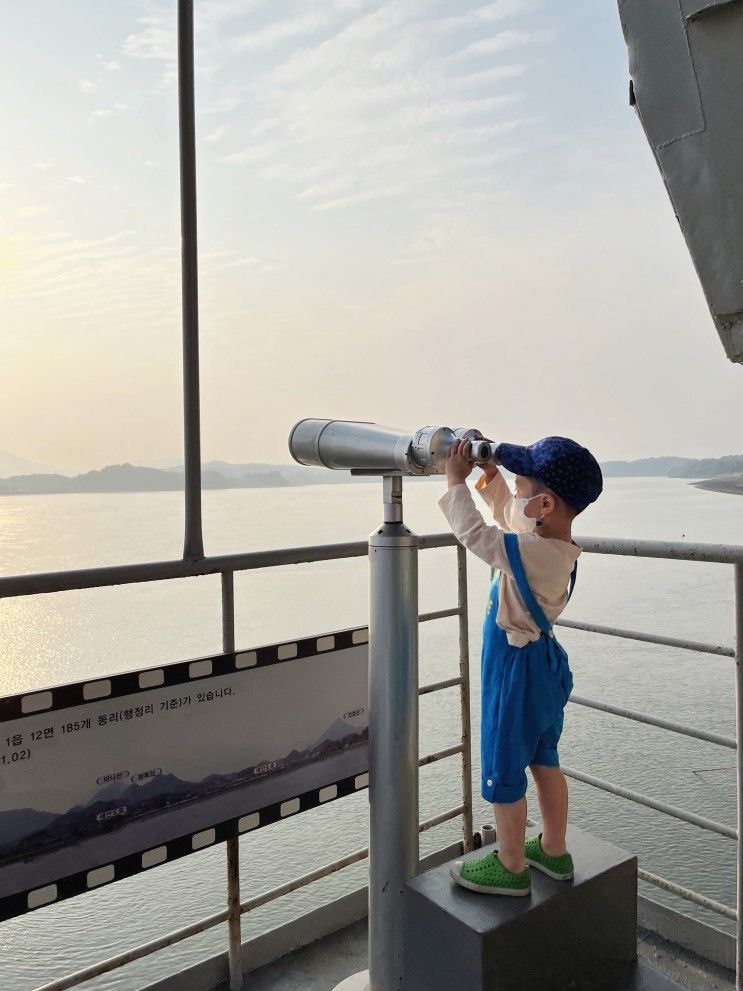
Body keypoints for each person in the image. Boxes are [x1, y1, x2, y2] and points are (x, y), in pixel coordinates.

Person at [438, 435, 602, 896]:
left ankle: (510, 865)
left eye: (522, 483)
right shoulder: (552, 543)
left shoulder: (532, 553)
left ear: (544, 504)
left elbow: (480, 536)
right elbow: (511, 514)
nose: (517, 489)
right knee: (544, 758)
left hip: (515, 668)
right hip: (542, 666)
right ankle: (552, 849)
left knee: (504, 764)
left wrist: (456, 485)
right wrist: (489, 477)